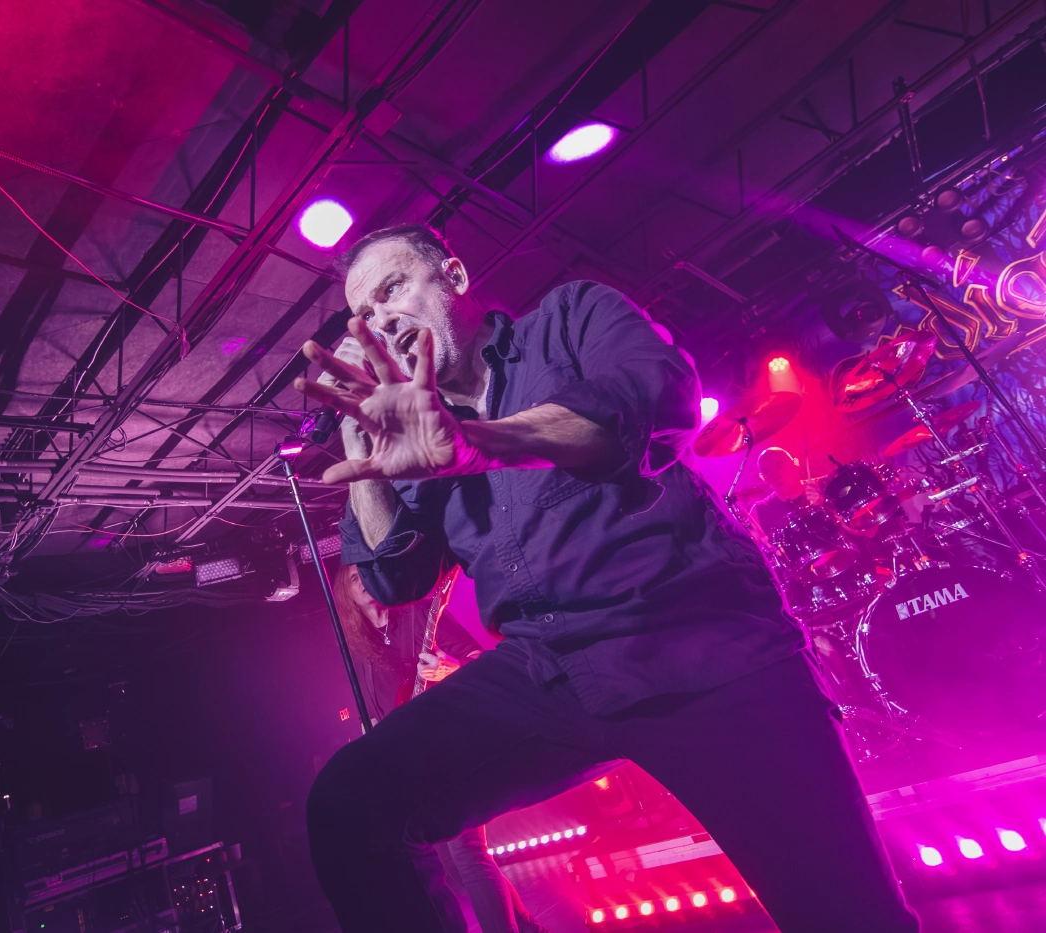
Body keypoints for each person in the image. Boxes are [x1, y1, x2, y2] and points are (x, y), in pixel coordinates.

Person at [296, 224, 919, 933]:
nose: (380, 320)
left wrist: (476, 443)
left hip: (694, 639)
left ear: (455, 277)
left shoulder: (568, 320)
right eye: (365, 314)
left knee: (850, 916)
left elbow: (648, 406)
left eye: (392, 288)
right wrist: (362, 451)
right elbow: (395, 576)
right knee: (350, 805)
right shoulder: (417, 427)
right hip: (548, 669)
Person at [332, 562, 547, 933]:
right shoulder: (358, 648)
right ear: (345, 594)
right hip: (412, 761)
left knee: (467, 852)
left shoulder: (418, 614)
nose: (363, 582)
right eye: (354, 578)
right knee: (453, 863)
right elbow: (371, 713)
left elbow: (482, 660)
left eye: (366, 573)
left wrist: (450, 668)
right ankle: (529, 927)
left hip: (453, 746)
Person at [750, 446, 822, 544]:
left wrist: (825, 506)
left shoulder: (823, 486)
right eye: (766, 472)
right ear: (763, 478)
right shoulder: (759, 512)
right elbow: (750, 549)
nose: (775, 476)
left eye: (779, 466)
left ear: (796, 464)